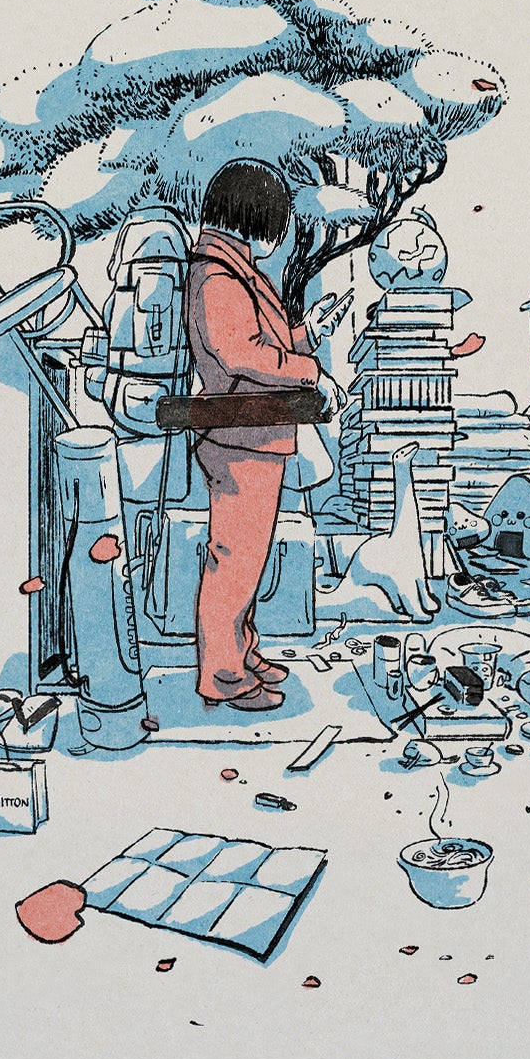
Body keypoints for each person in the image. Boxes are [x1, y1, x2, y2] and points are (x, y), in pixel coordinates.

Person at [182, 160, 320, 710]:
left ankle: (240, 650)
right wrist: (307, 369)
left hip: (255, 433)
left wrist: (306, 334)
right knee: (234, 562)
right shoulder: (218, 276)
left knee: (247, 560)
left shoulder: (235, 270)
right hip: (241, 436)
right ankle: (221, 674)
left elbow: (264, 341)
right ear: (252, 217)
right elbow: (241, 353)